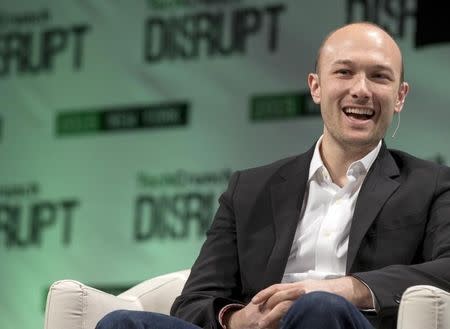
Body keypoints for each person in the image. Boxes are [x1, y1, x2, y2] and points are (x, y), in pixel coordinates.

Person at [96, 21, 450, 329]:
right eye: (344, 72)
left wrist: (342, 289)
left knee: (320, 308)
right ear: (316, 86)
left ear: (400, 96)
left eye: (379, 76)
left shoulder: (431, 185)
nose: (361, 89)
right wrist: (238, 320)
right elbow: (195, 301)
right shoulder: (249, 189)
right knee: (120, 324)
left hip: (341, 322)